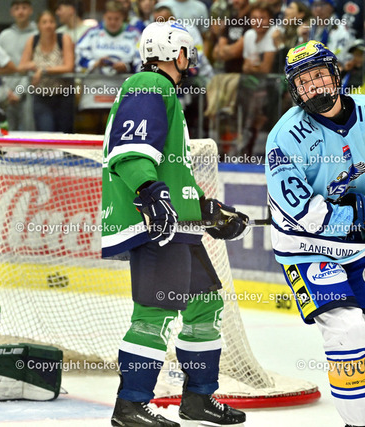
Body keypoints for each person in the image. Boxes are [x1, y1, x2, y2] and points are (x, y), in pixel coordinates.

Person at [102, 20, 248, 426]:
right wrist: (149, 192)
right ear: (177, 53)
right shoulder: (149, 85)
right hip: (157, 225)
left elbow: (174, 173)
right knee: (155, 313)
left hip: (177, 225)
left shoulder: (161, 91)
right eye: (187, 52)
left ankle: (198, 398)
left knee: (205, 304)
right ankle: (130, 405)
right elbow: (129, 152)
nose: (190, 60)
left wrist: (207, 210)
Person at [265, 40, 365, 427]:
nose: (313, 87)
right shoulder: (284, 138)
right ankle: (358, 425)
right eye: (303, 82)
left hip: (357, 243)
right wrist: (357, 216)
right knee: (348, 328)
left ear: (336, 75)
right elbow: (303, 213)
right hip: (305, 246)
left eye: (319, 76)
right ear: (294, 90)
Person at [18, 10, 75, 132]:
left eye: (51, 22)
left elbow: (68, 66)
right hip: (41, 95)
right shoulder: (33, 40)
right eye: (44, 22)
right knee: (46, 132)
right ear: (38, 25)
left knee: (64, 134)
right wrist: (32, 66)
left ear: (56, 24)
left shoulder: (63, 38)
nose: (48, 25)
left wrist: (43, 70)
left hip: (63, 95)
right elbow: (22, 66)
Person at [0, 0, 37, 131]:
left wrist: (18, 92)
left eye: (24, 8)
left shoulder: (37, 35)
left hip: (28, 94)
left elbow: (34, 67)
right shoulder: (4, 36)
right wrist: (6, 91)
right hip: (5, 95)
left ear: (30, 10)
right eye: (17, 8)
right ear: (11, 12)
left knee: (28, 135)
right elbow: (0, 66)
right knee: (5, 133)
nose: (21, 11)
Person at [75, 0, 142, 75]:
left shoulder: (135, 35)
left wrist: (127, 66)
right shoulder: (92, 33)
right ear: (104, 16)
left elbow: (141, 61)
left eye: (116, 19)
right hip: (96, 80)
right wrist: (95, 63)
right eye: (109, 18)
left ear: (123, 17)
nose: (112, 22)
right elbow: (79, 57)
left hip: (125, 81)